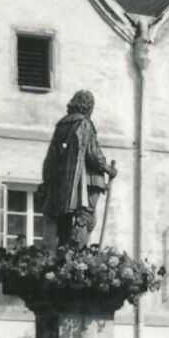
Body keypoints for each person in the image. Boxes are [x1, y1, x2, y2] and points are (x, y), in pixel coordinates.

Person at [40, 89, 117, 247]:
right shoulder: (84, 123)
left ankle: (63, 251)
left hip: (61, 185)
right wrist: (108, 169)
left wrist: (48, 180)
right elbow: (92, 153)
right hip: (82, 183)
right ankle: (78, 253)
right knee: (84, 217)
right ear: (87, 106)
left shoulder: (61, 125)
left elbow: (51, 156)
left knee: (64, 222)